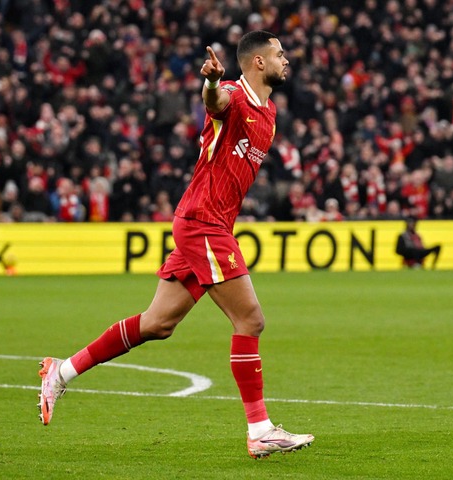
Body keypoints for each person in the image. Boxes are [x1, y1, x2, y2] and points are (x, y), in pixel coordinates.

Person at [37, 30, 314, 459]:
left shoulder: (270, 112)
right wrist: (209, 83)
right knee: (251, 320)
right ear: (258, 62)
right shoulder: (231, 96)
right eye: (280, 54)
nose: (287, 59)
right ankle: (259, 430)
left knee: (157, 324)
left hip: (207, 222)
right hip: (204, 222)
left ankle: (62, 371)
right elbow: (214, 103)